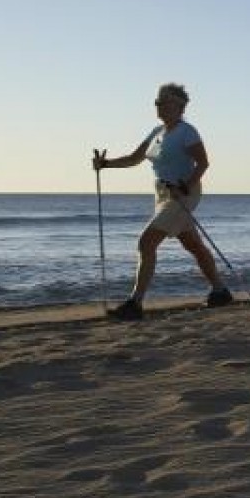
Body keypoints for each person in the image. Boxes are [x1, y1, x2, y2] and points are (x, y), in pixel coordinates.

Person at [92, 82, 232, 320]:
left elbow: (203, 163)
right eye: (157, 102)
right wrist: (105, 164)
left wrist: (185, 186)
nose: (159, 106)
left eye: (164, 102)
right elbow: (135, 158)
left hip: (183, 193)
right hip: (162, 195)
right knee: (193, 245)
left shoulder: (187, 131)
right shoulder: (156, 132)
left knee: (146, 242)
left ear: (179, 106)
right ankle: (220, 291)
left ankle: (135, 303)